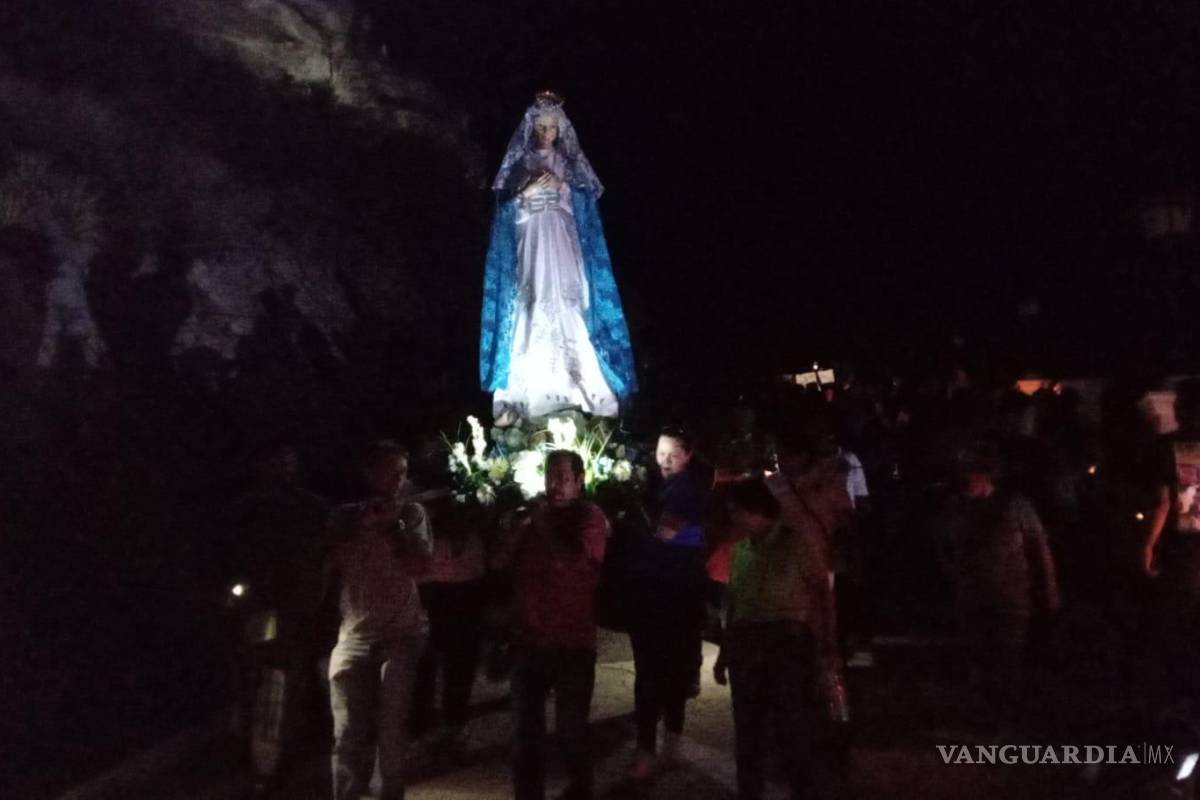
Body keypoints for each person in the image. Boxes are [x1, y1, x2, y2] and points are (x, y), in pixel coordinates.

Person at [479, 91, 636, 420]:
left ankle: (579, 386)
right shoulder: (518, 165)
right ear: (530, 128)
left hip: (563, 242)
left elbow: (586, 205)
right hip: (531, 241)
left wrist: (563, 186)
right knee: (531, 303)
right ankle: (526, 394)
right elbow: (504, 213)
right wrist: (527, 191)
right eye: (540, 126)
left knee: (570, 304)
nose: (545, 133)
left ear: (559, 130)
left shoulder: (568, 164)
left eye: (551, 127)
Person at [712, 473, 840, 800]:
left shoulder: (795, 543)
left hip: (786, 646)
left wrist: (827, 646)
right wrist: (726, 654)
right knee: (748, 731)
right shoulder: (740, 549)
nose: (734, 518)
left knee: (792, 729)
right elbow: (735, 603)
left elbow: (822, 595)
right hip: (747, 645)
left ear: (757, 509)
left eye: (738, 511)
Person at [492, 450, 609, 800]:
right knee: (525, 733)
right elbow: (498, 559)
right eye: (550, 475)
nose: (555, 484)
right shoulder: (530, 517)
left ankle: (580, 788)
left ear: (579, 480)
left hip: (572, 642)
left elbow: (576, 563)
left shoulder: (591, 517)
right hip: (528, 639)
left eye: (563, 476)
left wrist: (540, 524)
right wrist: (517, 526)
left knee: (571, 730)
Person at [324, 441, 433, 800]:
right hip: (355, 634)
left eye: (403, 471)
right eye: (391, 470)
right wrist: (361, 525)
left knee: (391, 730)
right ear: (368, 473)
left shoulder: (412, 513)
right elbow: (328, 562)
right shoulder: (344, 516)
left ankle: (389, 793)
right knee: (349, 731)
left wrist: (392, 528)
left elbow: (420, 567)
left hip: (402, 634)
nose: (398, 479)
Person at [227, 438, 329, 793]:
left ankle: (283, 757)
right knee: (260, 676)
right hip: (261, 606)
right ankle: (259, 758)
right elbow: (233, 557)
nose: (282, 470)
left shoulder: (310, 507)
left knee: (292, 680)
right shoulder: (247, 509)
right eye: (275, 463)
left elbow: (322, 556)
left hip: (298, 608)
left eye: (287, 462)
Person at [936, 442, 1060, 725]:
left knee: (1007, 657)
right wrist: (952, 571)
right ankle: (983, 713)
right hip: (972, 595)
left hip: (1011, 596)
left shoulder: (1015, 505)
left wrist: (1050, 588)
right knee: (978, 655)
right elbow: (943, 544)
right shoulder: (958, 508)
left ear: (986, 475)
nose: (964, 480)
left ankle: (1006, 715)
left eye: (970, 473)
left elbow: (1039, 546)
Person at [626, 427, 711, 780]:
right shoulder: (660, 486)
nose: (664, 460)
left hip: (673, 593)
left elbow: (666, 533)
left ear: (688, 455)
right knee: (660, 672)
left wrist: (633, 523)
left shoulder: (686, 489)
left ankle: (656, 748)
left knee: (658, 673)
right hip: (664, 591)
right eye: (660, 453)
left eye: (673, 454)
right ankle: (660, 747)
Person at [411, 499, 488, 747]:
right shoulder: (439, 541)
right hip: (445, 600)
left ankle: (442, 722)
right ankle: (434, 722)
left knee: (453, 665)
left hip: (457, 600)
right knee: (440, 665)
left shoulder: (470, 540)